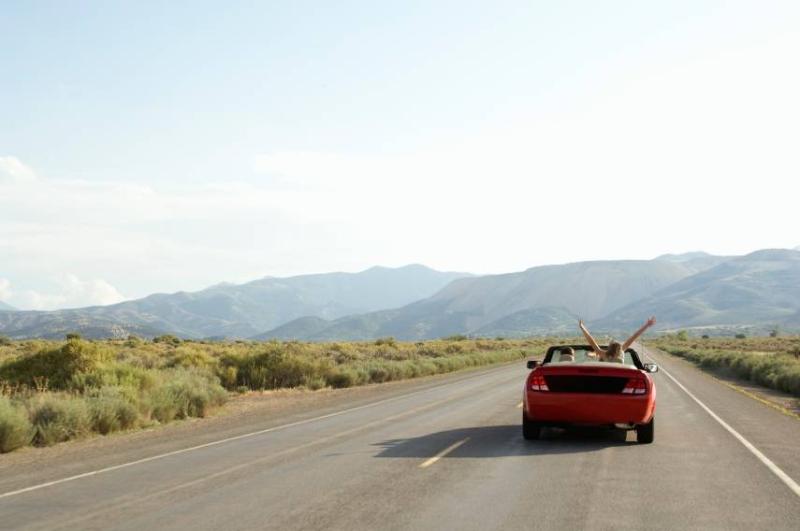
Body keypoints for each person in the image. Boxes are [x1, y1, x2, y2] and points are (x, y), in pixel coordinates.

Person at [578, 317, 656, 363]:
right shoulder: (621, 353)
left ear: (609, 347)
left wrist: (583, 328)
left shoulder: (605, 355)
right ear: (618, 348)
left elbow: (592, 343)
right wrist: (646, 325)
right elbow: (633, 337)